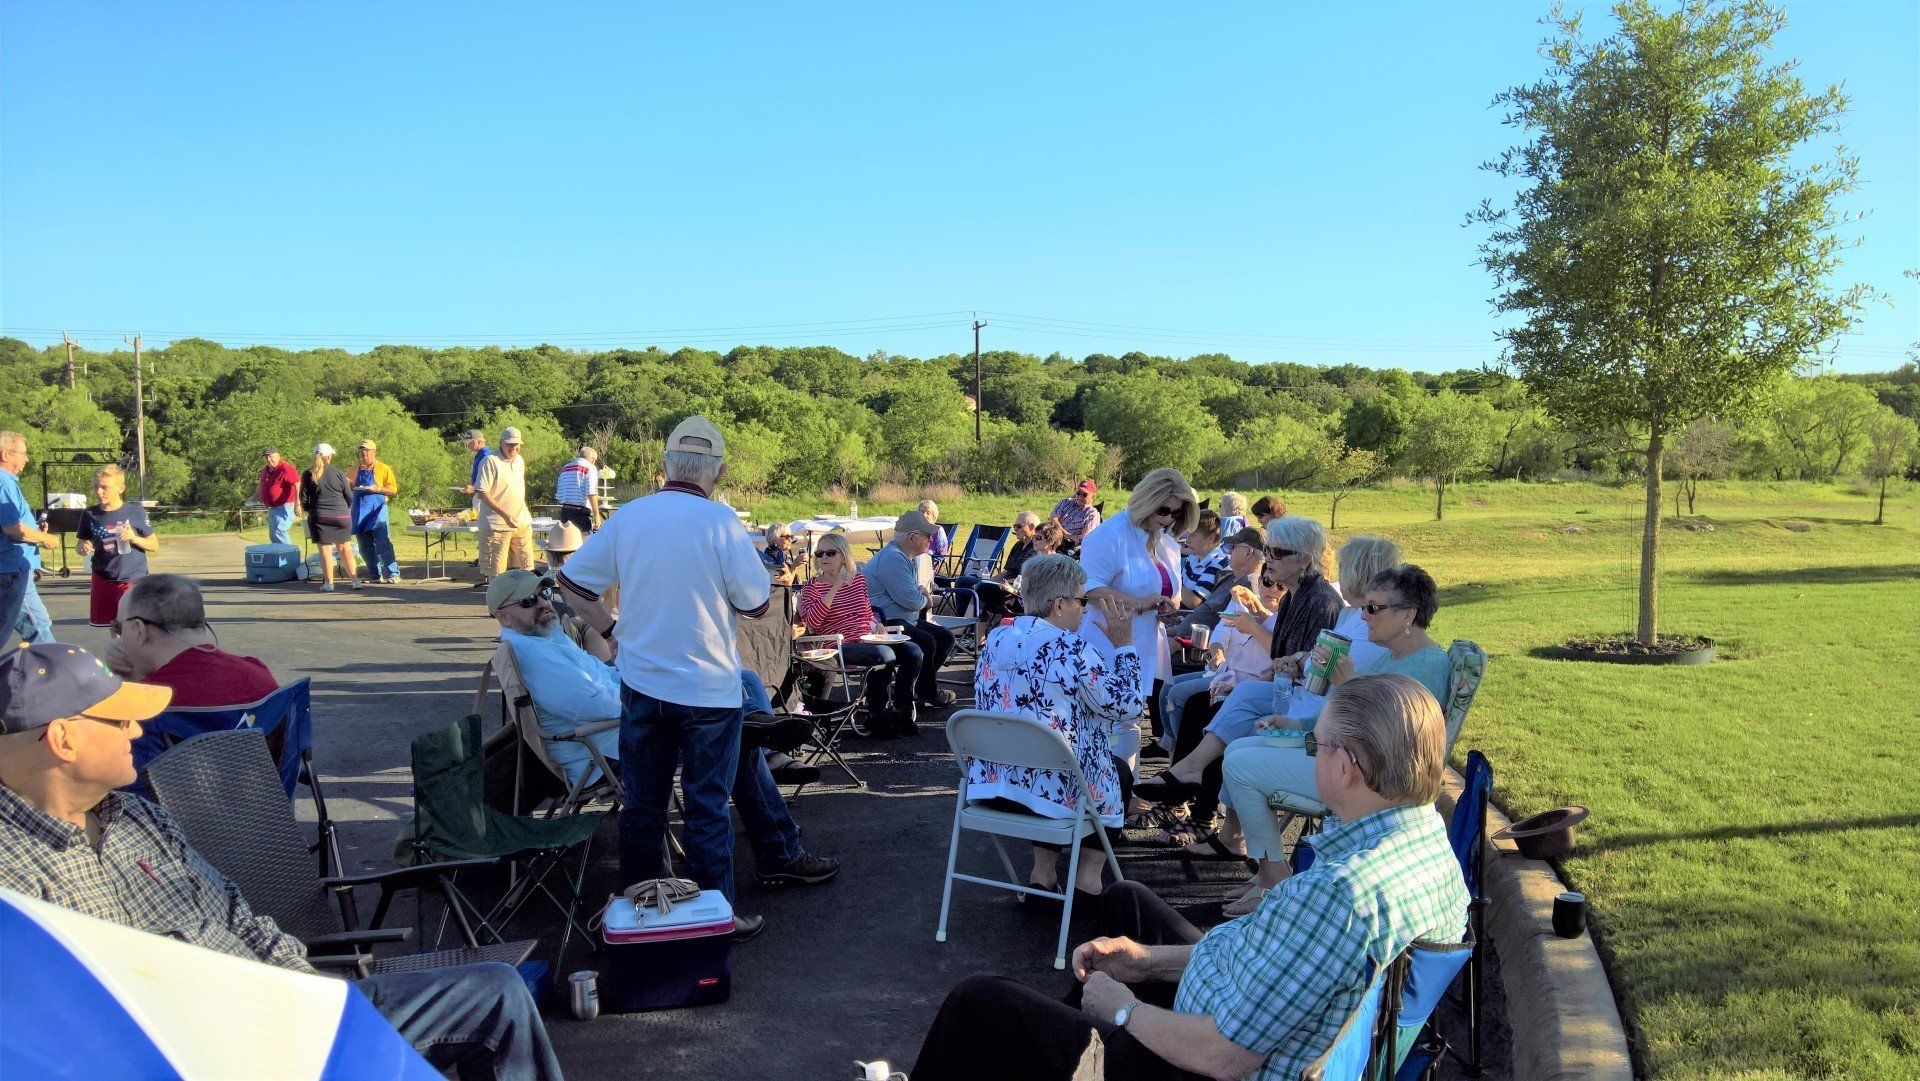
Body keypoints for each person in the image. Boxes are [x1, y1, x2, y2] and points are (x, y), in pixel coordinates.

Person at [0, 643, 566, 1081]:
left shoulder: (136, 816)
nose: (138, 729)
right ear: (64, 740)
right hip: (218, 1055)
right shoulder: (14, 881)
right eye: (119, 720)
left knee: (497, 991)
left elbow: (237, 915)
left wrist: (312, 995)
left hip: (291, 1013)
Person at [907, 673, 1469, 1081]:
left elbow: (1224, 1057)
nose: (1311, 755)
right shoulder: (1428, 846)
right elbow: (1282, 961)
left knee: (980, 1003)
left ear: (1346, 765)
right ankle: (1065, 1050)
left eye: (1313, 745)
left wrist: (1122, 1009)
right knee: (1127, 902)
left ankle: (1065, 1046)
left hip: (1198, 1066)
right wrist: (1149, 961)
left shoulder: (1341, 894)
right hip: (1274, 1021)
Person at [488, 571, 836, 903]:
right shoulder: (533, 653)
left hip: (623, 730)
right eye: (529, 601)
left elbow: (605, 681)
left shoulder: (546, 640)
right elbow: (594, 705)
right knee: (731, 735)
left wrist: (653, 678)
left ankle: (761, 737)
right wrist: (660, 692)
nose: (543, 603)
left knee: (739, 682)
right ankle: (777, 839)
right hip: (607, 749)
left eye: (545, 593)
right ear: (501, 615)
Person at [556, 416, 773, 930]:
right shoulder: (721, 523)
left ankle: (640, 917)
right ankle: (716, 919)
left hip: (643, 685)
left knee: (643, 807)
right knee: (706, 808)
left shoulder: (631, 516)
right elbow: (758, 604)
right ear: (718, 472)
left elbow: (572, 582)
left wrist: (610, 630)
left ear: (665, 466)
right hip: (709, 690)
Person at [1218, 565, 1456, 909]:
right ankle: (1268, 873)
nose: (1364, 615)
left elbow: (1392, 736)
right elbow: (1355, 715)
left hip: (1368, 779)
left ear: (1408, 614)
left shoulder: (1426, 666)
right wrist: (1295, 724)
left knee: (1240, 763)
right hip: (1349, 762)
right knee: (1240, 748)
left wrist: (1347, 685)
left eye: (1373, 608)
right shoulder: (1397, 656)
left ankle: (1273, 878)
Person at [1133, 515, 1343, 830]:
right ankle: (1186, 793)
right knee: (1202, 703)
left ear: (1304, 560)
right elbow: (1282, 655)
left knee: (1212, 707)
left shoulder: (1320, 602)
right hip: (1283, 689)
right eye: (1268, 551)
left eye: (1277, 553)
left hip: (1307, 705)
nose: (1268, 559)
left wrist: (1269, 656)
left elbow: (1305, 669)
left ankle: (1201, 811)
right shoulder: (1296, 594)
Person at [968, 555, 1144, 897]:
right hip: (1052, 796)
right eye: (1081, 601)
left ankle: (1042, 874)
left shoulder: (995, 640)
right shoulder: (1072, 648)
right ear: (1060, 605)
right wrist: (1124, 647)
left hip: (992, 787)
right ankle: (1088, 881)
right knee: (1115, 771)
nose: (1084, 609)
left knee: (1052, 761)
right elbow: (1130, 708)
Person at [1077, 467, 1197, 774]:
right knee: (1110, 722)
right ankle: (1111, 789)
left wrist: (1169, 608)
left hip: (1144, 644)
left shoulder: (1166, 541)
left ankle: (1124, 787)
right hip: (1107, 642)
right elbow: (1089, 587)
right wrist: (1141, 604)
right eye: (1163, 510)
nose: (1168, 518)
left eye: (1176, 512)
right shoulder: (1110, 534)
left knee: (1130, 721)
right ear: (1146, 500)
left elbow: (1169, 590)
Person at [102, 574, 279, 707]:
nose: (119, 637)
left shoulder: (149, 702)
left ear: (139, 630)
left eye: (118, 627)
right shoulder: (258, 673)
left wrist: (132, 681)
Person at [797, 533, 910, 736]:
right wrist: (835, 587)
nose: (824, 557)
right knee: (884, 655)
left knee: (913, 652)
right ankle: (878, 715)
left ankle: (902, 711)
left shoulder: (858, 580)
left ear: (843, 556)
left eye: (831, 553)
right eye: (820, 553)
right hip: (837, 644)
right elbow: (813, 622)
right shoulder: (811, 587)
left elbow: (866, 613)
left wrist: (877, 625)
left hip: (867, 638)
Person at [864, 510, 957, 731]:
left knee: (945, 638)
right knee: (926, 641)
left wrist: (920, 596)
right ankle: (918, 695)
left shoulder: (905, 557)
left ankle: (921, 689)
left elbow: (912, 599)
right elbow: (912, 600)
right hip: (886, 621)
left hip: (904, 618)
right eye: (927, 535)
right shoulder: (893, 558)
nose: (930, 539)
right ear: (912, 537)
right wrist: (925, 597)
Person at [76, 464, 158, 629]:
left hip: (132, 578)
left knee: (134, 625)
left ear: (121, 488)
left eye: (104, 487)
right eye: (96, 487)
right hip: (103, 577)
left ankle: (133, 646)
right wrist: (83, 547)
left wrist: (134, 538)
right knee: (114, 626)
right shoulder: (90, 514)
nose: (99, 492)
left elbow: (154, 545)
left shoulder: (136, 512)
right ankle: (118, 646)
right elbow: (80, 544)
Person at [0, 431, 59, 647]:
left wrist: (34, 529)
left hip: (11, 567)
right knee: (37, 626)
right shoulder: (4, 482)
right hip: (12, 567)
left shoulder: (8, 482)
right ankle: (55, 666)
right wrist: (44, 537)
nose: (26, 459)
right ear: (5, 455)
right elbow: (11, 527)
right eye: (22, 453)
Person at [1171, 527, 1263, 641]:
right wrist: (1172, 631)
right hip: (1182, 637)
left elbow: (1231, 634)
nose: (1229, 551)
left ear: (1248, 552)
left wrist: (1180, 642)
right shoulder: (1230, 577)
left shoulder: (1249, 587)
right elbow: (1203, 614)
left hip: (1194, 646)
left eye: (1233, 547)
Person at [476, 426, 533, 587]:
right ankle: (497, 601)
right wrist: (505, 514)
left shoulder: (519, 460)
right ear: (501, 443)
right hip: (497, 525)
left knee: (527, 566)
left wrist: (517, 516)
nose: (513, 447)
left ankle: (526, 598)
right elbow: (482, 492)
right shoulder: (490, 461)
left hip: (521, 521)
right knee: (497, 571)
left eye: (516, 444)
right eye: (509, 444)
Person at [299, 444, 360, 593]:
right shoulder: (338, 473)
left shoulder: (308, 474)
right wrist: (344, 509)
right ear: (330, 456)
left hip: (320, 516)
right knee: (345, 549)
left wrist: (310, 510)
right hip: (341, 515)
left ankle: (329, 584)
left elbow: (304, 498)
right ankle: (355, 581)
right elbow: (349, 496)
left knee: (325, 550)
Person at [351, 439, 401, 585]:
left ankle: (393, 573)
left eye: (366, 450)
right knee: (364, 545)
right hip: (360, 510)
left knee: (383, 542)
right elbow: (349, 486)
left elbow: (393, 490)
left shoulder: (383, 468)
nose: (363, 453)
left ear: (374, 452)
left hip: (378, 509)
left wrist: (377, 489)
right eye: (361, 450)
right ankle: (373, 574)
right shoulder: (354, 469)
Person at [1178, 510, 1229, 608]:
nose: (1187, 541)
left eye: (1193, 535)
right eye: (1188, 535)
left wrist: (1169, 580)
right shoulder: (1194, 557)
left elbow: (1194, 601)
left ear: (1211, 538)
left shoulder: (1218, 564)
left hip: (1190, 617)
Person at [254, 448, 301, 546]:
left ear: (278, 457)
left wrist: (298, 504)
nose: (269, 459)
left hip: (285, 506)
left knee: (280, 531)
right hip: (273, 507)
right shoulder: (266, 470)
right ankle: (278, 554)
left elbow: (297, 484)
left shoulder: (285, 468)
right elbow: (261, 484)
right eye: (266, 457)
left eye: (271, 456)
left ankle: (288, 554)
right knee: (273, 535)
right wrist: (253, 498)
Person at [555, 445, 600, 533]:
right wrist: (597, 515)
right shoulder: (590, 468)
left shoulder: (566, 468)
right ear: (592, 459)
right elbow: (591, 492)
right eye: (595, 460)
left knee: (567, 539)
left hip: (565, 511)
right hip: (580, 513)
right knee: (583, 539)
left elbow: (560, 490)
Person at [1049, 480, 1102, 548]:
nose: (1080, 497)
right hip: (1051, 536)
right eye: (1078, 493)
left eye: (1084, 495)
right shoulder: (1065, 502)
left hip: (1067, 545)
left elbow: (1086, 538)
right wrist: (1065, 534)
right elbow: (1053, 519)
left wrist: (1069, 538)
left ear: (1092, 497)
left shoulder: (1092, 514)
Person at [918, 499, 951, 568]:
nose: (924, 515)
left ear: (934, 516)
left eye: (928, 513)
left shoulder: (938, 531)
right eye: (921, 512)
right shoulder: (914, 530)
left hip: (928, 568)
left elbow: (941, 555)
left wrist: (925, 564)